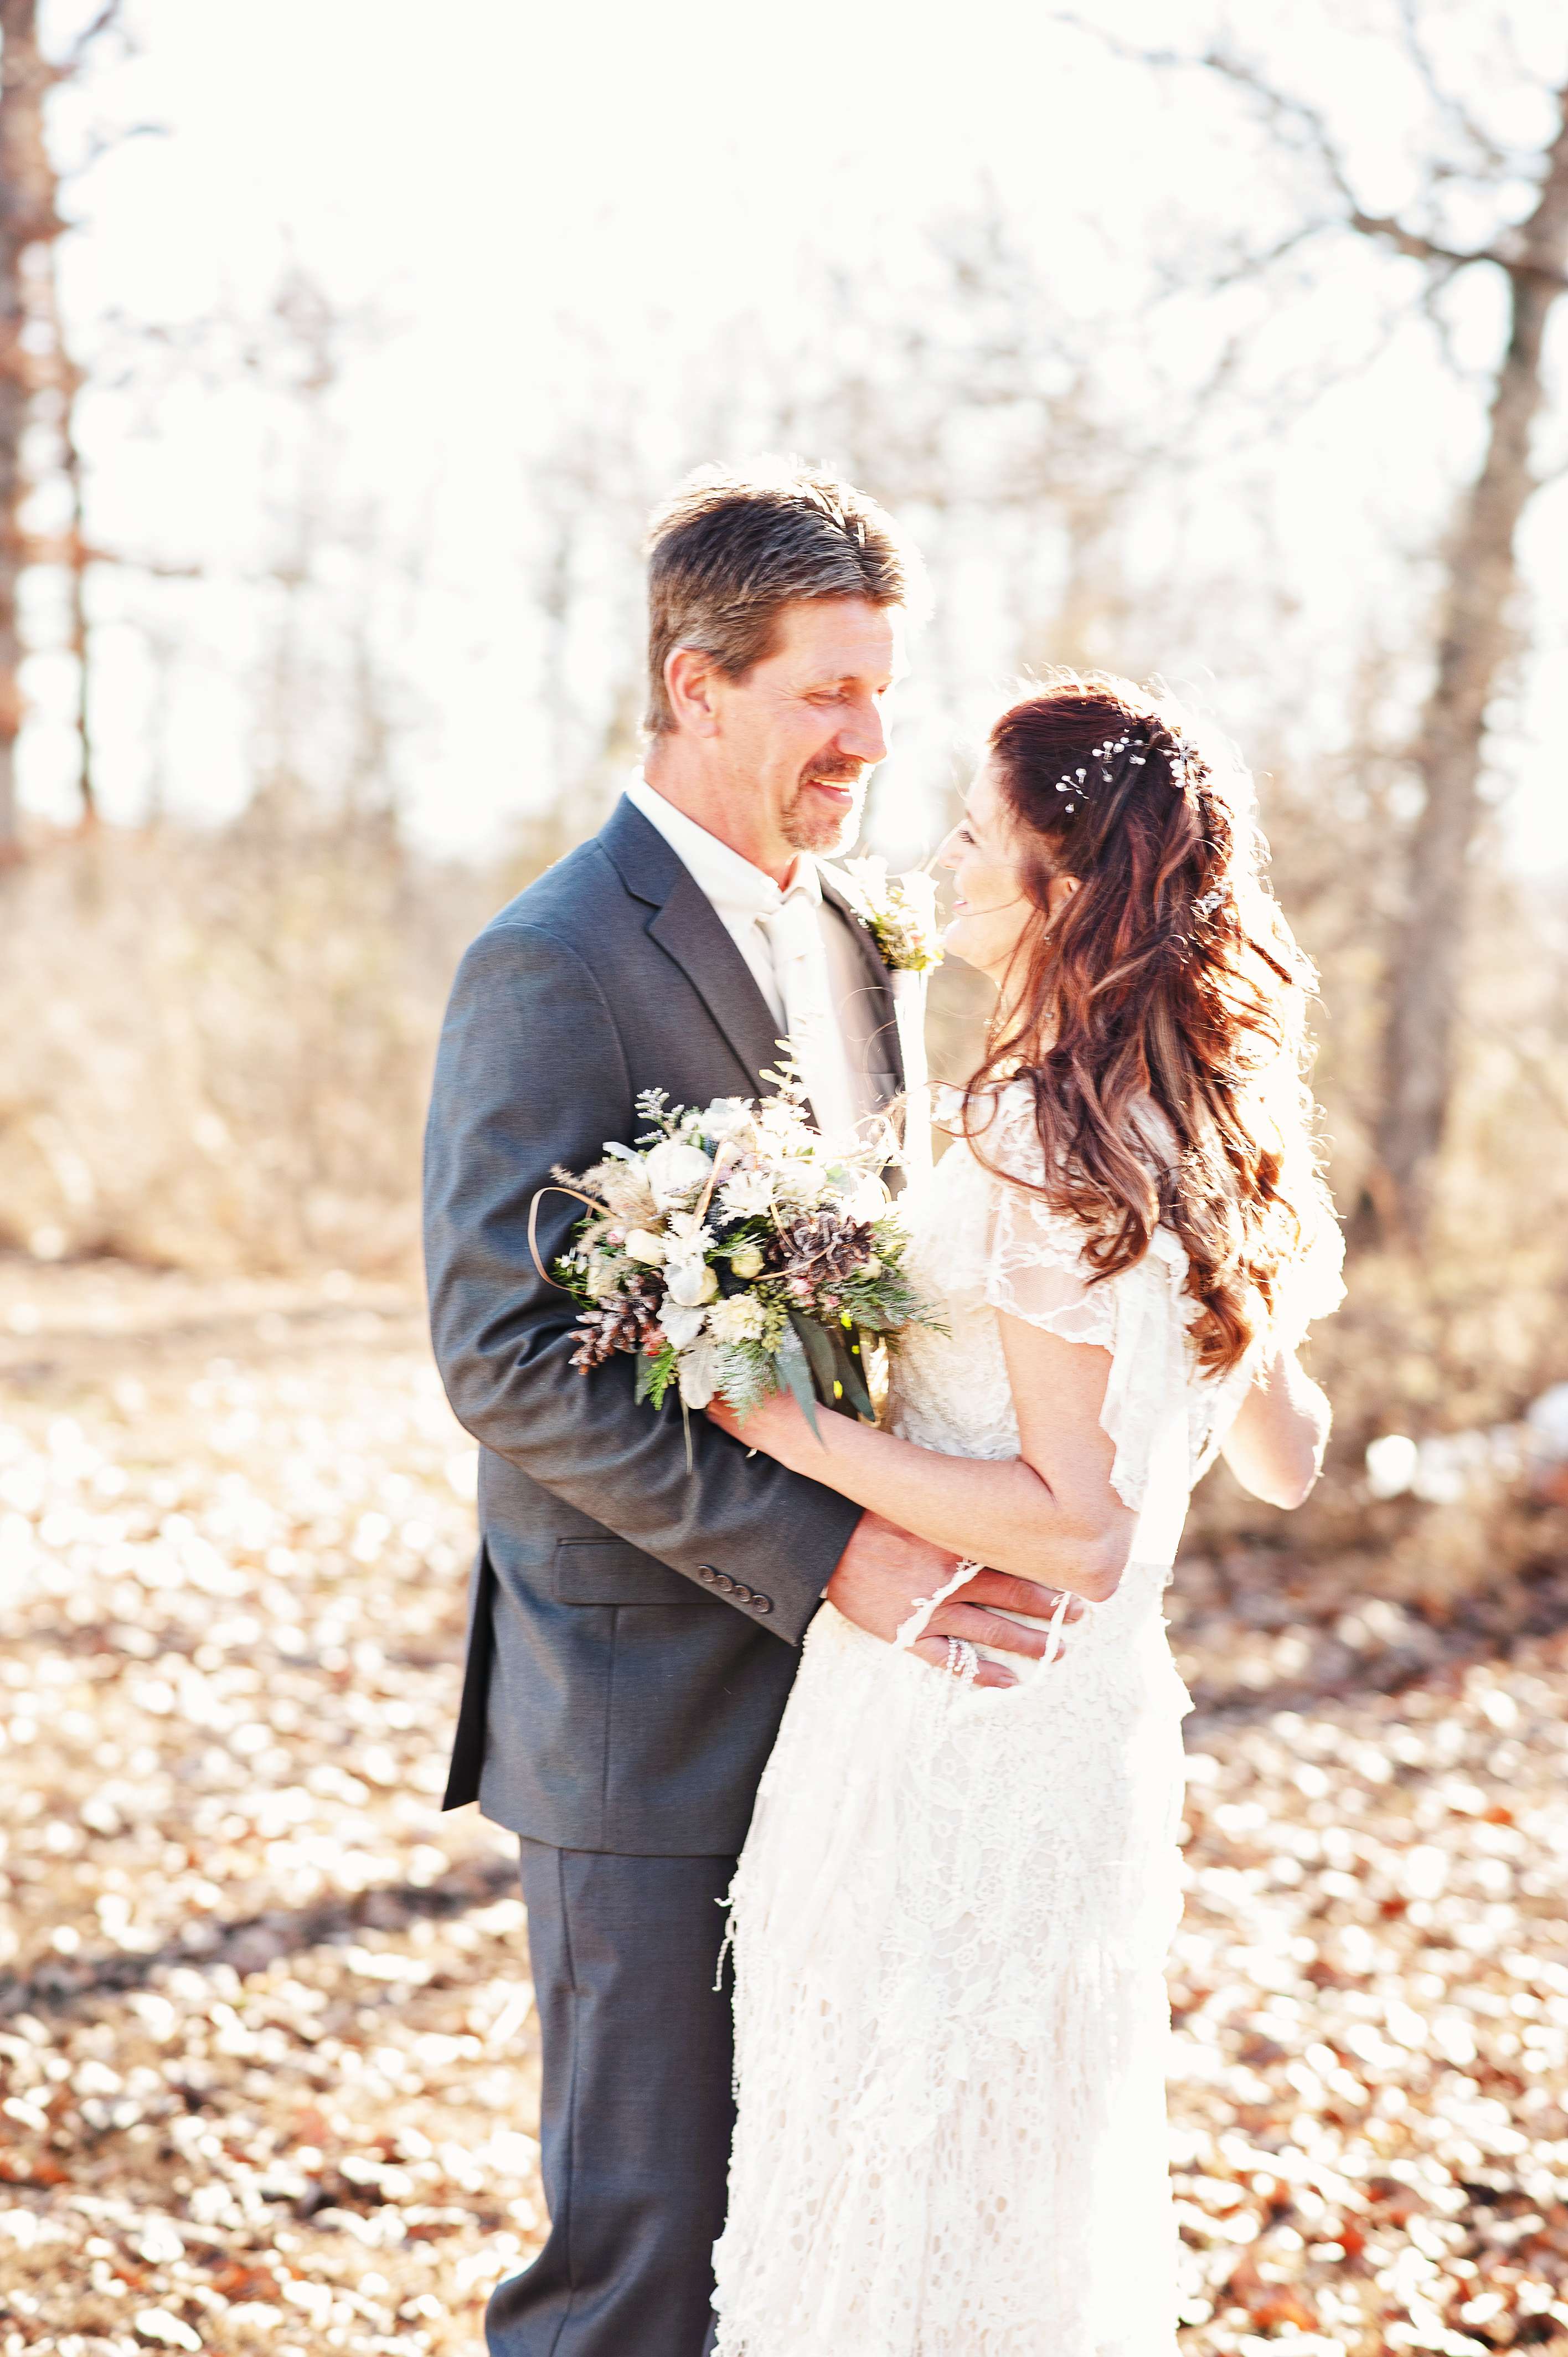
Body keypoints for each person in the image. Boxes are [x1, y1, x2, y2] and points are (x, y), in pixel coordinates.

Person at [422, 462, 1082, 2357]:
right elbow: (503, 1348)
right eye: (825, 693)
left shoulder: (863, 937)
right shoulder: (550, 963)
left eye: (883, 692)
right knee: (637, 2265)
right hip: (646, 1716)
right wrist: (829, 1552)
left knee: (801, 2246)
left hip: (867, 1725)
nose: (870, 739)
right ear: (694, 684)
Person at [705, 676, 1342, 2356]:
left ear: (1063, 886)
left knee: (908, 2207)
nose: (945, 857)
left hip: (960, 1725)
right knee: (1017, 2196)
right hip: (1090, 1732)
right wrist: (1229, 1307)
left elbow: (1079, 1526)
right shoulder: (1202, 1125)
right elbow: (1289, 1458)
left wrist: (784, 1424)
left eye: (977, 832)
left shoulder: (1037, 1130)